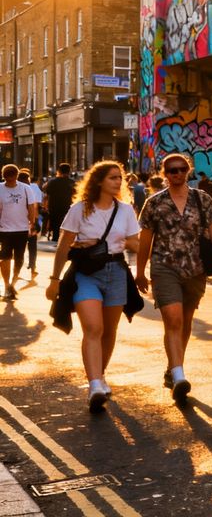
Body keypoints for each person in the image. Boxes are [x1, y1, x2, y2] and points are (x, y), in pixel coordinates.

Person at [135, 154, 212, 405]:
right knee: (173, 318)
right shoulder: (154, 203)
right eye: (171, 171)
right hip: (164, 267)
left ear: (188, 171)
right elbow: (145, 241)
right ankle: (179, 376)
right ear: (164, 174)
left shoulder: (202, 199)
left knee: (186, 321)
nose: (176, 174)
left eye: (181, 170)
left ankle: (173, 366)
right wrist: (140, 271)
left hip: (195, 269)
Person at [45, 161, 141, 411]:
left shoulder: (126, 211)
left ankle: (101, 374)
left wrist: (160, 250)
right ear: (98, 181)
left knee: (109, 331)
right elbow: (64, 245)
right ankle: (94, 384)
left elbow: (135, 243)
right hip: (87, 273)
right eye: (112, 178)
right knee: (93, 328)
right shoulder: (80, 209)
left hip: (117, 271)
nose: (118, 182)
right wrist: (54, 280)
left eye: (120, 178)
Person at [0, 164, 37, 301]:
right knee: (5, 258)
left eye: (12, 178)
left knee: (19, 259)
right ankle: (6, 285)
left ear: (16, 176)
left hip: (21, 229)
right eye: (7, 179)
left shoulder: (26, 189)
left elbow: (31, 207)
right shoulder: (0, 189)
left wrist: (32, 225)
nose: (9, 181)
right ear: (4, 177)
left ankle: (13, 283)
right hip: (4, 230)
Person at [17, 170, 42, 279]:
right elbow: (35, 207)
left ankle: (17, 270)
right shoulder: (34, 188)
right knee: (32, 246)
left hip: (17, 222)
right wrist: (34, 223)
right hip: (30, 221)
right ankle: (32, 268)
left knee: (19, 247)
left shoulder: (14, 188)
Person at [43, 162, 76, 243]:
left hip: (54, 206)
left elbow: (47, 193)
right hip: (68, 206)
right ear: (69, 171)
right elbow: (76, 195)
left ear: (59, 171)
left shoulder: (53, 182)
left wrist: (45, 206)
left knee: (55, 224)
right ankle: (65, 239)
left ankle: (55, 238)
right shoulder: (72, 182)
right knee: (67, 224)